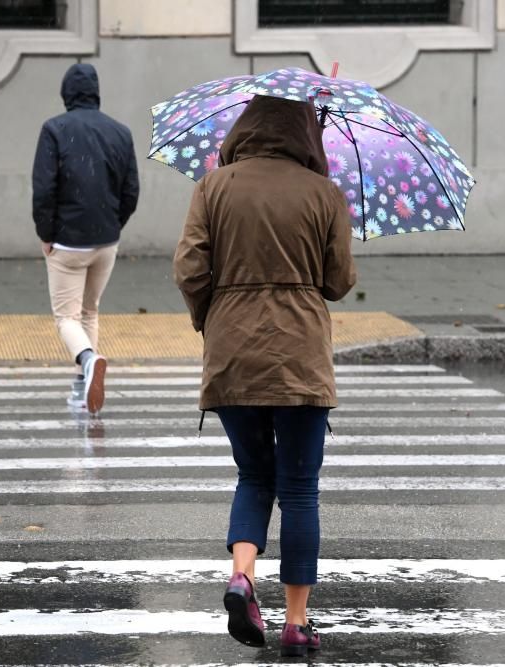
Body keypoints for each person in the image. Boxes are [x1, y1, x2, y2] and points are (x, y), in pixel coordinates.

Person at [173, 95, 356, 655]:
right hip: (300, 355)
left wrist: (211, 316)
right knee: (299, 488)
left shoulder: (214, 186)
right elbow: (339, 280)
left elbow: (189, 267)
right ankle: (297, 623)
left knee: (254, 476)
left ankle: (242, 576)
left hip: (231, 351)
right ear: (306, 134)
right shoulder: (324, 193)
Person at [32, 63, 139, 414]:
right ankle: (83, 386)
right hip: (106, 241)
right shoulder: (120, 132)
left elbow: (44, 188)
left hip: (67, 242)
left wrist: (46, 234)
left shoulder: (55, 130)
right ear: (96, 93)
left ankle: (89, 360)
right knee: (89, 310)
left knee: (66, 318)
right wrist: (113, 225)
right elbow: (131, 191)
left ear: (66, 94)